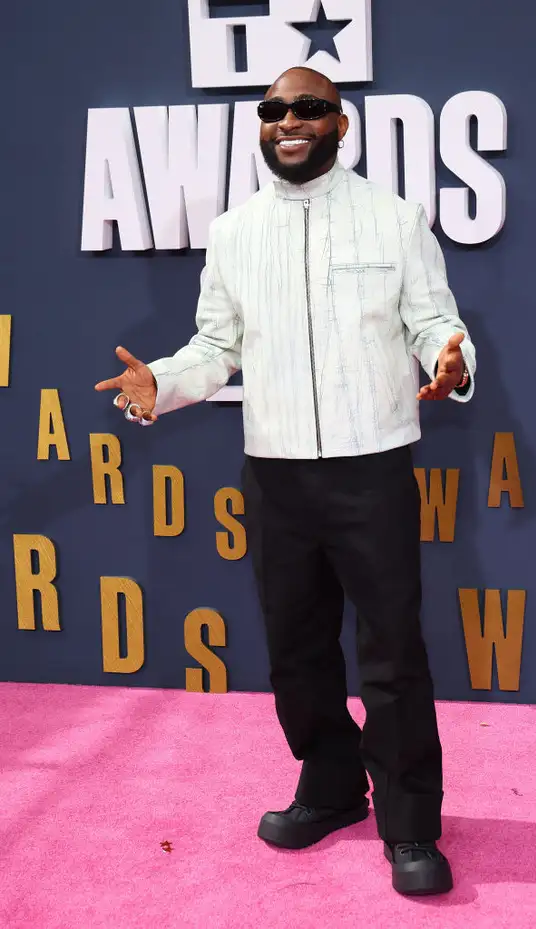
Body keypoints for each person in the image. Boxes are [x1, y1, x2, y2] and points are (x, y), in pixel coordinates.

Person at [95, 67, 476, 897]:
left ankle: (409, 823)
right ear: (262, 128)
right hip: (275, 476)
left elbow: (434, 321)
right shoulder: (234, 232)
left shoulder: (395, 218)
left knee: (391, 654)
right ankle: (331, 789)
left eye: (306, 108)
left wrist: (452, 358)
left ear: (341, 124)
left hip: (372, 468)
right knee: (296, 653)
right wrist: (162, 380)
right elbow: (215, 346)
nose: (287, 121)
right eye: (271, 111)